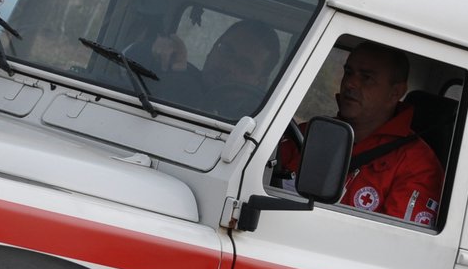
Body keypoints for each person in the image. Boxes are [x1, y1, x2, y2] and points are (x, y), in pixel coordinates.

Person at [280, 41, 443, 225]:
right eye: (348, 73)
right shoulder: (304, 135)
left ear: (395, 93)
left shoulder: (417, 165)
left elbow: (395, 244)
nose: (350, 83)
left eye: (366, 78)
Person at [141, 19, 281, 112]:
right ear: (212, 48)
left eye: (244, 65)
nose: (228, 66)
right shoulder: (176, 72)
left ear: (260, 81)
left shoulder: (255, 121)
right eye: (226, 51)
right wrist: (153, 52)